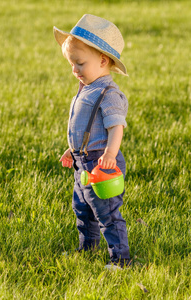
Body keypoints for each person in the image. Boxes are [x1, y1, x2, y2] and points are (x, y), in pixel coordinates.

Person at [54, 14, 130, 270]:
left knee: (106, 212)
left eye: (80, 63)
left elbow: (115, 126)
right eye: (72, 64)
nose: (74, 69)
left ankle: (120, 259)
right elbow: (84, 127)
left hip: (101, 163)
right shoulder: (86, 88)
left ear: (102, 60)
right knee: (83, 209)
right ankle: (87, 248)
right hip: (82, 161)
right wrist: (73, 148)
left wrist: (110, 153)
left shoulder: (109, 94)